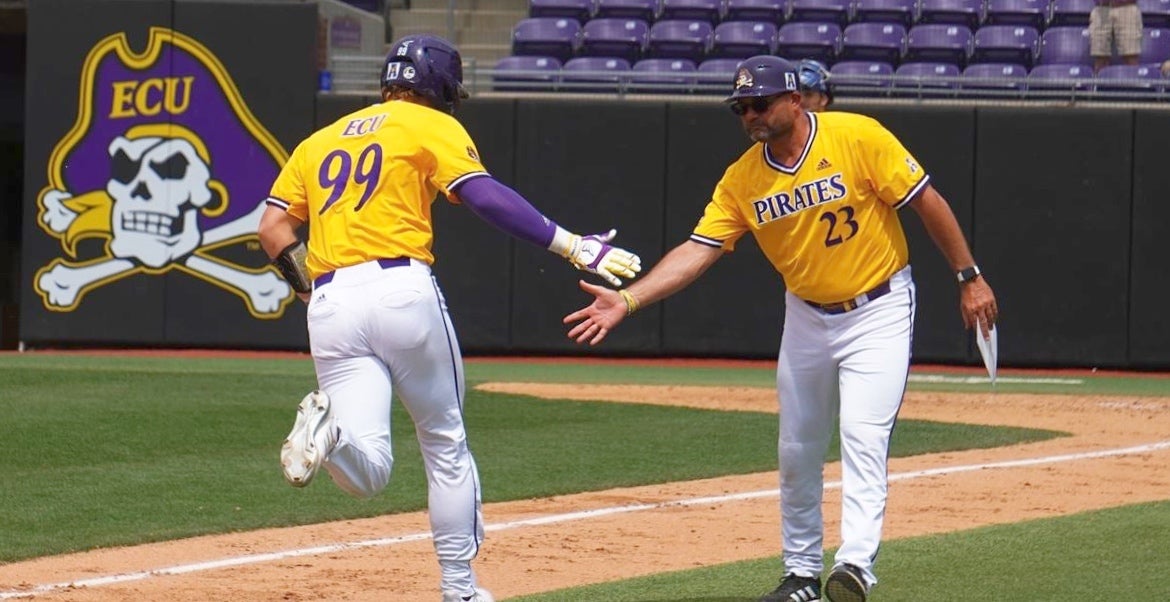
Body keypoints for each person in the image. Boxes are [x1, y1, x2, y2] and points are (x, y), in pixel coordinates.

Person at [563, 56, 997, 602]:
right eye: (742, 107)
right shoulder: (743, 177)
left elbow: (927, 202)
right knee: (796, 447)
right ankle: (799, 576)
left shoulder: (857, 136)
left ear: (795, 100)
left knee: (862, 435)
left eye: (760, 103)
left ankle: (856, 566)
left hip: (880, 307)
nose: (751, 114)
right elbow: (699, 250)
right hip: (808, 315)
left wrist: (969, 276)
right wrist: (630, 299)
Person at [258, 34, 641, 602]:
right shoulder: (427, 124)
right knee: (444, 442)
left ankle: (331, 436)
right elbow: (483, 195)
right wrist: (570, 245)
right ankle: (459, 589)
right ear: (436, 86)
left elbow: (271, 228)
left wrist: (311, 293)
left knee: (370, 471)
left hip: (331, 300)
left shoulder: (317, 141)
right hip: (400, 289)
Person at [1090, 0, 1143, 73]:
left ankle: (1133, 83)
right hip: (1101, 9)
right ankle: (1100, 83)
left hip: (1127, 8)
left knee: (1131, 56)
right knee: (1100, 57)